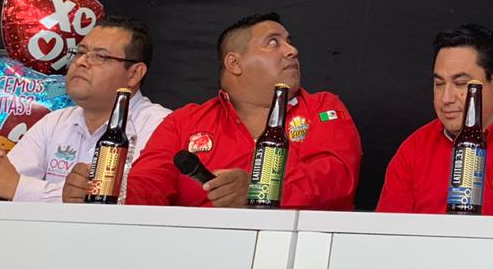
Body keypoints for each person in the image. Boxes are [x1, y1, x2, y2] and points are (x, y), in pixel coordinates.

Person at [125, 12, 362, 209]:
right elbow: (147, 186)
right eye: (273, 42)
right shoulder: (183, 122)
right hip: (197, 242)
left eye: (289, 41)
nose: (292, 50)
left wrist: (259, 191)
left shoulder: (323, 108)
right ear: (235, 63)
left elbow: (337, 179)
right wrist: (108, 188)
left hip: (298, 244)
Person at [0, 15, 171, 203]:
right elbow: (1, 182)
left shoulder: (160, 126)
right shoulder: (54, 121)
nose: (80, 62)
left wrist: (19, 189)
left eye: (100, 56)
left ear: (134, 74)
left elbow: (123, 200)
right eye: (79, 52)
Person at [377, 23, 493, 215]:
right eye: (439, 84)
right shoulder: (413, 150)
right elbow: (387, 231)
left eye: (461, 83)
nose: (446, 98)